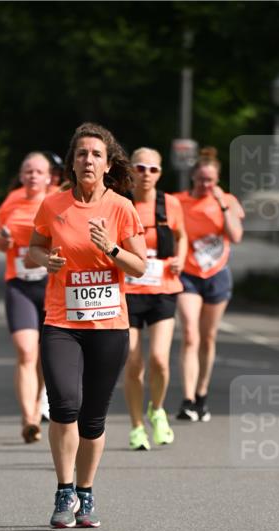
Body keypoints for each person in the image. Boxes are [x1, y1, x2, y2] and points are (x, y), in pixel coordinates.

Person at [29, 122, 146, 528]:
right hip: (61, 321)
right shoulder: (53, 205)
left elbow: (140, 265)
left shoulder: (121, 207)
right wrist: (48, 261)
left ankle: (86, 491)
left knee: (93, 417)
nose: (88, 160)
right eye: (82, 154)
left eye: (96, 154)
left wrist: (109, 248)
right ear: (73, 163)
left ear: (108, 163)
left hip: (109, 325)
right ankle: (64, 490)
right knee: (64, 405)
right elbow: (34, 247)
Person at [124, 147, 187, 450]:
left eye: (153, 169)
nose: (146, 174)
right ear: (131, 170)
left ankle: (157, 409)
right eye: (140, 167)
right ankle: (137, 426)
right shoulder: (121, 202)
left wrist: (180, 259)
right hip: (128, 292)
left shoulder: (170, 204)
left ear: (160, 173)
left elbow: (182, 236)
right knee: (134, 363)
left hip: (163, 289)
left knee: (159, 360)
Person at [175, 147, 244, 421]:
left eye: (211, 181)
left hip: (216, 274)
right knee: (190, 333)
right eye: (201, 179)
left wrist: (222, 204)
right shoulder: (178, 201)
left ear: (217, 181)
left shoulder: (227, 201)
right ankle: (188, 399)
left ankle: (202, 394)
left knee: (208, 336)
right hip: (188, 274)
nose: (205, 185)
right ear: (193, 177)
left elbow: (235, 235)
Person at [0, 152, 53, 442]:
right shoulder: (12, 200)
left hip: (51, 285)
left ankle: (39, 402)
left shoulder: (57, 201)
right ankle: (29, 419)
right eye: (28, 171)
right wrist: (2, 239)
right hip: (19, 285)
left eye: (38, 171)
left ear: (49, 176)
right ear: (21, 174)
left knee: (44, 356)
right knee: (26, 352)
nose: (32, 176)